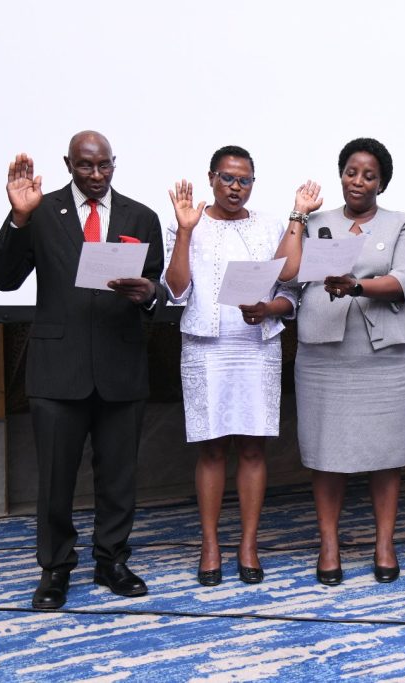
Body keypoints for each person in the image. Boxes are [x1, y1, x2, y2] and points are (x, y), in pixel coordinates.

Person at [0, 131, 165, 609]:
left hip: (121, 366)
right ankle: (55, 569)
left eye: (104, 165)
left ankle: (112, 560)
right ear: (68, 164)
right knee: (55, 479)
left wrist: (148, 293)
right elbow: (4, 279)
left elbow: (156, 287)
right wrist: (18, 218)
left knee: (119, 478)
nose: (96, 175)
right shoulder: (41, 212)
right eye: (86, 166)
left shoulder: (141, 216)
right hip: (57, 369)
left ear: (114, 163)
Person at [274, 137, 405, 585]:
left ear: (382, 183)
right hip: (325, 357)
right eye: (351, 172)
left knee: (387, 453)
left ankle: (384, 543)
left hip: (389, 358)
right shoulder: (315, 222)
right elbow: (285, 274)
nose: (358, 181)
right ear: (341, 175)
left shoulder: (404, 222)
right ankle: (329, 544)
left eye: (369, 175)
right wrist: (298, 215)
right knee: (327, 453)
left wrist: (357, 286)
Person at [162, 146, 299, 586]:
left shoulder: (270, 225)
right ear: (211, 178)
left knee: (254, 449)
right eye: (227, 178)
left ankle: (248, 544)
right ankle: (210, 545)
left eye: (244, 180)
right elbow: (176, 290)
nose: (235, 187)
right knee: (212, 449)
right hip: (206, 349)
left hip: (257, 347)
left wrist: (268, 308)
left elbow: (289, 291)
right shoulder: (186, 223)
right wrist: (185, 231)